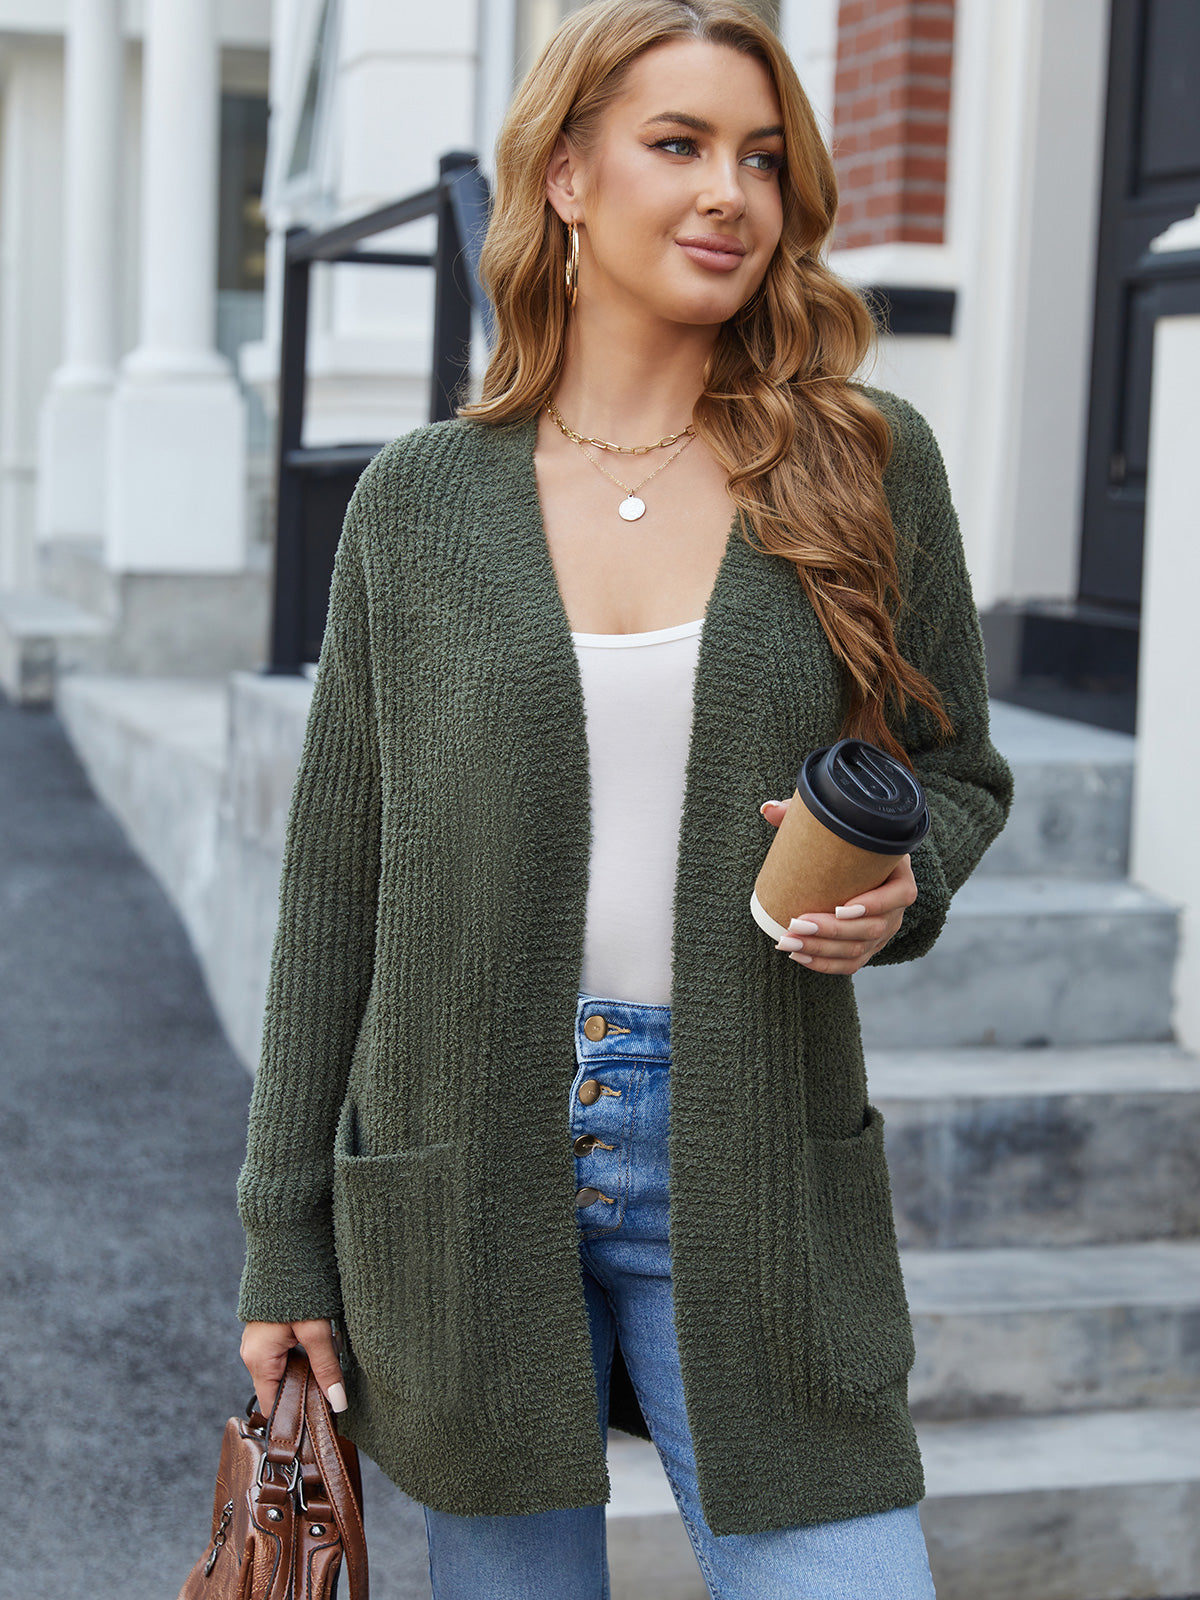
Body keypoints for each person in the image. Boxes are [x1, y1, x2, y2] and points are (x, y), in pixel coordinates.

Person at [235, 1, 1013, 1595]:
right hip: (465, 1153)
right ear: (570, 177)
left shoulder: (862, 461)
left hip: (749, 1142)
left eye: (764, 158)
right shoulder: (422, 504)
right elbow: (334, 888)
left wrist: (898, 883)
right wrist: (282, 1229)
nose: (731, 192)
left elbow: (956, 771)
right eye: (680, 146)